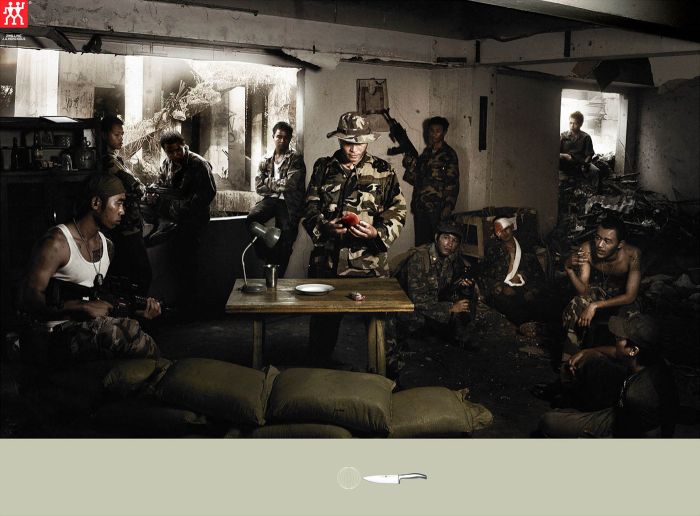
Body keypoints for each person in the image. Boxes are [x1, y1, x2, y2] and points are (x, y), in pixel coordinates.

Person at [19, 173, 161, 364]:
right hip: (54, 334)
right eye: (118, 203)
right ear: (96, 203)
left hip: (89, 330)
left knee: (134, 330)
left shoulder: (107, 246)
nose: (122, 211)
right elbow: (27, 299)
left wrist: (137, 311)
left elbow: (100, 302)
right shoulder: (57, 243)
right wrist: (79, 307)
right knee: (122, 333)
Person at [302, 112, 406, 363]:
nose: (354, 149)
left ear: (368, 141)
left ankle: (387, 373)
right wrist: (324, 227)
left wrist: (377, 233)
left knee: (382, 329)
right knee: (322, 329)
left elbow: (398, 209)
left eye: (359, 143)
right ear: (339, 139)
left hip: (369, 264)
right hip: (328, 263)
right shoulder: (323, 167)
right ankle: (316, 374)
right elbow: (309, 207)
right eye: (348, 142)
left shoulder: (383, 170)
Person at [538, 313, 678, 438]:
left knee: (548, 422)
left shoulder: (641, 394)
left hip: (623, 427)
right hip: (626, 406)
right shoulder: (648, 358)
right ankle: (572, 398)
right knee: (590, 359)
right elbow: (615, 352)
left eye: (619, 338)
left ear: (633, 350)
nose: (615, 339)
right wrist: (586, 351)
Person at [149, 129, 216, 315]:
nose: (175, 154)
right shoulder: (167, 164)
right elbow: (161, 184)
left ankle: (191, 308)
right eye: (170, 152)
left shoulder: (198, 164)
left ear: (184, 146)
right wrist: (155, 193)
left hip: (193, 221)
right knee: (176, 263)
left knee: (190, 264)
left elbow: (208, 193)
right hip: (174, 220)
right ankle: (182, 305)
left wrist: (183, 206)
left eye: (178, 150)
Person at [562, 214, 642, 354]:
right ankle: (570, 359)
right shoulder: (586, 249)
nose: (599, 245)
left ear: (620, 244)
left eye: (607, 241)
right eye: (598, 238)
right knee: (577, 303)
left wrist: (594, 306)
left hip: (622, 298)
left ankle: (624, 362)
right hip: (600, 291)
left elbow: (630, 296)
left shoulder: (632, 255)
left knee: (632, 318)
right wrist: (568, 269)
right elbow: (583, 291)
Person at [392, 221, 475, 351]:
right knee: (418, 320)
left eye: (454, 240)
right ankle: (406, 340)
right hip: (407, 307)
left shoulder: (451, 257)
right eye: (446, 237)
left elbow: (443, 287)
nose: (450, 244)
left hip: (430, 301)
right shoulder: (419, 258)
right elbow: (418, 300)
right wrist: (450, 308)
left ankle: (458, 338)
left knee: (465, 302)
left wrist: (462, 285)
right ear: (437, 238)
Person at [478, 216, 563, 338]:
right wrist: (502, 288)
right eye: (500, 231)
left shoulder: (525, 248)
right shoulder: (493, 250)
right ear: (497, 234)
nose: (504, 233)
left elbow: (537, 273)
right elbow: (485, 275)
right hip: (504, 290)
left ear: (512, 227)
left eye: (506, 229)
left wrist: (532, 290)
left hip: (526, 287)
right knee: (514, 309)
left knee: (549, 304)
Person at [246, 121, 306, 277]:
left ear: (290, 139)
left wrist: (268, 181)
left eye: (286, 137)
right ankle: (265, 253)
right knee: (251, 218)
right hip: (271, 200)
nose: (282, 140)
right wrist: (278, 184)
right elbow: (258, 187)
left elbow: (290, 184)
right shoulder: (266, 159)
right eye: (279, 136)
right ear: (273, 137)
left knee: (285, 240)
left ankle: (278, 276)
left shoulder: (295, 158)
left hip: (289, 203)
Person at [100, 115, 151, 295]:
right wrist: (140, 188)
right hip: (125, 226)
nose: (121, 138)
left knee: (131, 273)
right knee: (140, 274)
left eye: (122, 134)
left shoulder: (116, 159)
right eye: (116, 135)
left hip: (128, 223)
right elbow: (135, 187)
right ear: (104, 135)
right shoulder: (107, 161)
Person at [402, 116, 460, 246]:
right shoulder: (425, 154)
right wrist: (410, 166)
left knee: (438, 244)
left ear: (444, 132)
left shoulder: (449, 154)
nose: (434, 134)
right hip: (421, 207)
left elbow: (453, 182)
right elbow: (415, 180)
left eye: (438, 131)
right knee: (421, 245)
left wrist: (448, 205)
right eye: (431, 131)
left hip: (438, 208)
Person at [559, 110, 599, 192]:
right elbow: (555, 152)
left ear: (581, 124)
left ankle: (595, 193)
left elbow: (589, 155)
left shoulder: (586, 137)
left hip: (580, 163)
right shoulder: (563, 136)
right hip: (565, 162)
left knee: (596, 171)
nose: (572, 126)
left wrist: (585, 164)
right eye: (570, 123)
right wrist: (565, 156)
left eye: (575, 123)